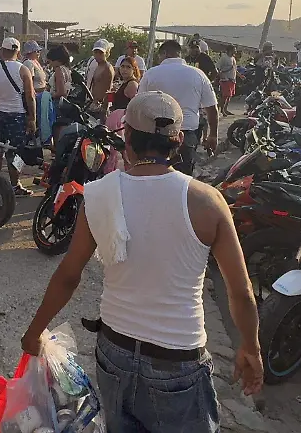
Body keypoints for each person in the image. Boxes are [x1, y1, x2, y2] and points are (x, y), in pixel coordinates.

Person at [21, 91, 263, 433]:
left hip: (113, 355)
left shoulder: (99, 194)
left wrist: (34, 332)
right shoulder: (207, 202)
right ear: (178, 140)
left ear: (127, 137)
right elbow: (241, 292)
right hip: (177, 364)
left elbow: (68, 276)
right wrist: (251, 346)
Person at [138, 40, 219, 175]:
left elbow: (139, 104)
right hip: (187, 135)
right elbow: (211, 108)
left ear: (164, 53)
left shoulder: (151, 74)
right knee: (183, 178)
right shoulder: (198, 74)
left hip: (157, 135)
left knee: (156, 176)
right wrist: (213, 135)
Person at [0, 38, 38, 196]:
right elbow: (30, 97)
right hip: (17, 116)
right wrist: (32, 118)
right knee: (15, 152)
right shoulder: (23, 69)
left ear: (2, 50)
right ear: (17, 52)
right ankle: (15, 185)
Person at [88, 40, 116, 115]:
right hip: (94, 104)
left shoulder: (108, 68)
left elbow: (110, 91)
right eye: (96, 52)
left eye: (100, 53)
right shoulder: (98, 66)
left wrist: (105, 108)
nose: (97, 55)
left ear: (106, 53)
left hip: (102, 106)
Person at [216, 46, 239, 116]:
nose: (235, 51)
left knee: (229, 96)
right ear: (230, 50)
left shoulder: (233, 58)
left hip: (232, 80)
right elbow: (217, 67)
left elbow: (234, 69)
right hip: (226, 80)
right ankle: (220, 110)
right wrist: (221, 75)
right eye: (234, 50)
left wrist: (240, 75)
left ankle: (225, 109)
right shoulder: (224, 58)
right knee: (225, 96)